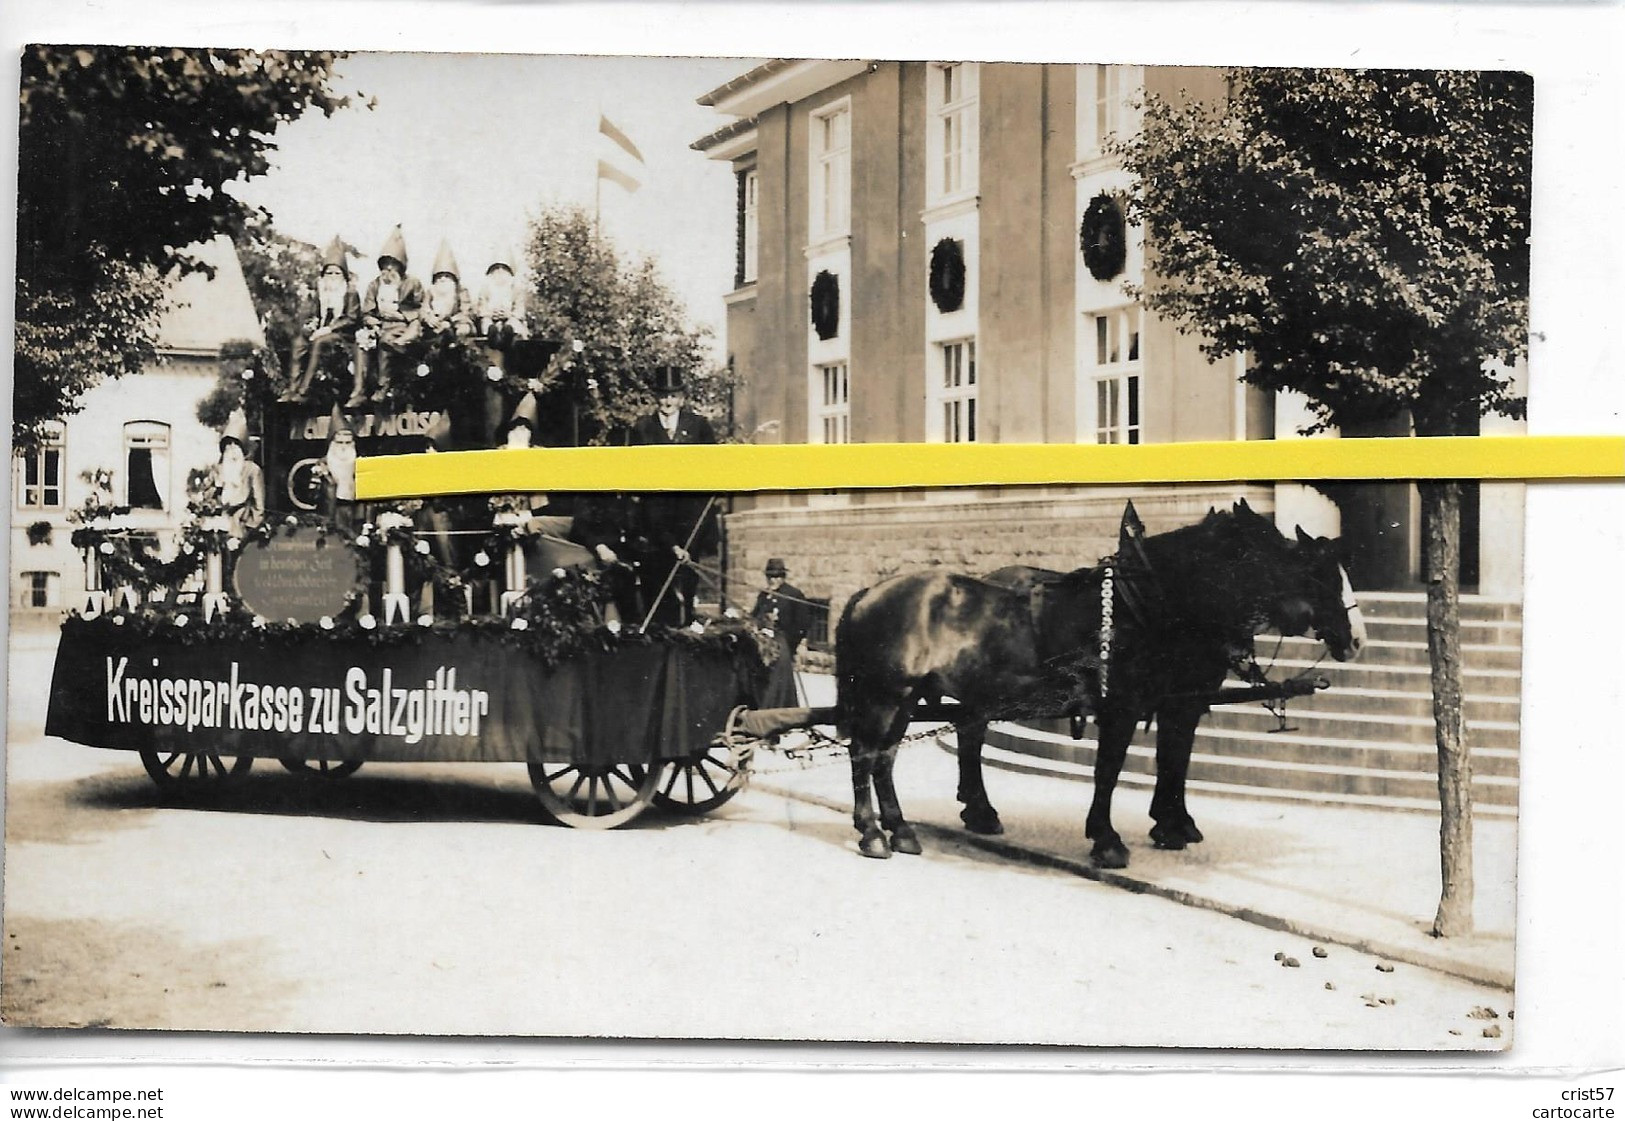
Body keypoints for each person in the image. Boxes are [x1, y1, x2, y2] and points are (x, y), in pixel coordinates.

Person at [628, 366, 718, 627]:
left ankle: (687, 624)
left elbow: (712, 467)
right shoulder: (643, 428)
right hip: (655, 514)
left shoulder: (698, 426)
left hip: (689, 516)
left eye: (673, 396)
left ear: (682, 398)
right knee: (658, 578)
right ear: (656, 397)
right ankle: (661, 631)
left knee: (688, 576)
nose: (668, 401)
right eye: (663, 395)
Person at [281, 236, 360, 403]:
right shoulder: (321, 293)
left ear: (343, 275)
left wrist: (329, 328)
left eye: (337, 273)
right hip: (322, 331)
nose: (332, 276)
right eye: (329, 273)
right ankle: (292, 388)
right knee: (299, 343)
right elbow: (314, 314)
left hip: (343, 336)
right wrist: (311, 326)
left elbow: (352, 318)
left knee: (319, 343)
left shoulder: (350, 293)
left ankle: (304, 390)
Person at [353, 226, 425, 407]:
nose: (388, 271)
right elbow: (367, 311)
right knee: (362, 344)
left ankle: (383, 386)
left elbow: (420, 308)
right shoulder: (374, 285)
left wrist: (400, 314)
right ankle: (359, 390)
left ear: (400, 267)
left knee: (386, 341)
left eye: (393, 266)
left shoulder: (412, 283)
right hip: (380, 326)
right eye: (385, 267)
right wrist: (373, 322)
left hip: (402, 325)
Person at [475, 251, 530, 445]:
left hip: (510, 319)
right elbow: (480, 308)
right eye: (496, 270)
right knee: (487, 323)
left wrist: (508, 313)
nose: (499, 275)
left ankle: (506, 334)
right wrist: (491, 313)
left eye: (503, 270)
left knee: (514, 325)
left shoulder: (516, 290)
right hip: (492, 319)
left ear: (509, 273)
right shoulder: (486, 289)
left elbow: (520, 310)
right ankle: (494, 333)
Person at [751, 558, 814, 707]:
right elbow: (754, 616)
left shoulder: (793, 594)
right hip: (763, 642)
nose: (773, 580)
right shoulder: (763, 595)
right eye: (770, 576)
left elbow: (803, 622)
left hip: (782, 643)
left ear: (783, 577)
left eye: (777, 576)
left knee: (779, 678)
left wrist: (795, 644)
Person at [215, 410, 265, 537]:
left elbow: (259, 504)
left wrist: (250, 527)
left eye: (235, 445)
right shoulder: (220, 470)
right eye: (228, 446)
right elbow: (213, 496)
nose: (232, 450)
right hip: (220, 525)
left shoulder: (252, 470)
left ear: (242, 448)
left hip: (242, 524)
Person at [419, 240, 475, 341]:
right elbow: (424, 309)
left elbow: (466, 312)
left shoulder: (461, 291)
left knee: (464, 329)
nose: (443, 279)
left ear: (454, 278)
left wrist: (450, 321)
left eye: (447, 276)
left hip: (456, 325)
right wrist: (429, 318)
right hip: (435, 326)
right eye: (439, 277)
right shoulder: (431, 291)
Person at [320, 406, 361, 532]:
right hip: (332, 511)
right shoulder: (323, 463)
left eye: (347, 443)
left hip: (354, 510)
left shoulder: (359, 462)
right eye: (340, 443)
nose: (343, 448)